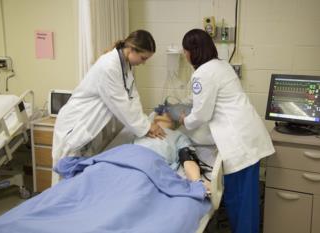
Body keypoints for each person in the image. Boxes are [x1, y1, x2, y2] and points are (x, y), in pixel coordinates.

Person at [178, 29, 275, 233]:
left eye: (185, 51)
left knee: (241, 202)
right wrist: (187, 103)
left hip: (239, 143)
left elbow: (202, 114)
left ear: (192, 52)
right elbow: (210, 98)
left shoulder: (202, 73)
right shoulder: (221, 65)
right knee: (246, 200)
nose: (184, 55)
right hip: (248, 135)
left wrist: (184, 120)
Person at [52, 30, 165, 184]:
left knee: (82, 179)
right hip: (76, 125)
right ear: (131, 49)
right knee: (66, 179)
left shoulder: (125, 66)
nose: (143, 62)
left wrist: (146, 122)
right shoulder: (109, 66)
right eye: (143, 58)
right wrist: (146, 127)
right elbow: (122, 105)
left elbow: (132, 97)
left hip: (89, 125)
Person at [133, 112, 210, 191]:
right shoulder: (141, 130)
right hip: (134, 161)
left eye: (168, 114)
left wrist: (197, 181)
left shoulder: (179, 136)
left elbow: (187, 159)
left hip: (152, 167)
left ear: (173, 123)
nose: (164, 113)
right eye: (160, 113)